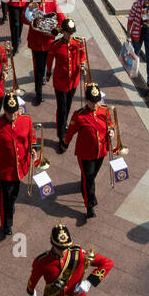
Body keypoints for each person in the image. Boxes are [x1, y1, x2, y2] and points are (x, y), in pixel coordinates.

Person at [0, 92, 36, 237]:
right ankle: (7, 224)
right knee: (6, 196)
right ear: (4, 110)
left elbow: (31, 135)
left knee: (15, 192)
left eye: (14, 112)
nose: (12, 116)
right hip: (4, 167)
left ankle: (9, 206)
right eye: (9, 112)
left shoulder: (26, 120)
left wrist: (34, 148)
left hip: (20, 166)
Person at [63, 84, 114, 218]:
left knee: (91, 175)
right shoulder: (79, 115)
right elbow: (70, 132)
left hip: (101, 151)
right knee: (89, 179)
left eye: (97, 101)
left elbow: (110, 124)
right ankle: (90, 205)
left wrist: (112, 132)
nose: (95, 104)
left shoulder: (104, 111)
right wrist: (65, 144)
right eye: (92, 102)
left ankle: (84, 184)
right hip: (85, 153)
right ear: (86, 101)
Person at [48, 19, 88, 146]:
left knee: (68, 105)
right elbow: (49, 61)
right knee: (62, 109)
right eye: (68, 33)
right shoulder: (56, 45)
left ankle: (64, 123)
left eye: (71, 33)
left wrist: (82, 65)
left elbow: (82, 55)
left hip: (73, 81)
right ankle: (61, 136)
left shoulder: (78, 42)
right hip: (60, 82)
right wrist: (48, 73)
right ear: (63, 32)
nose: (70, 35)